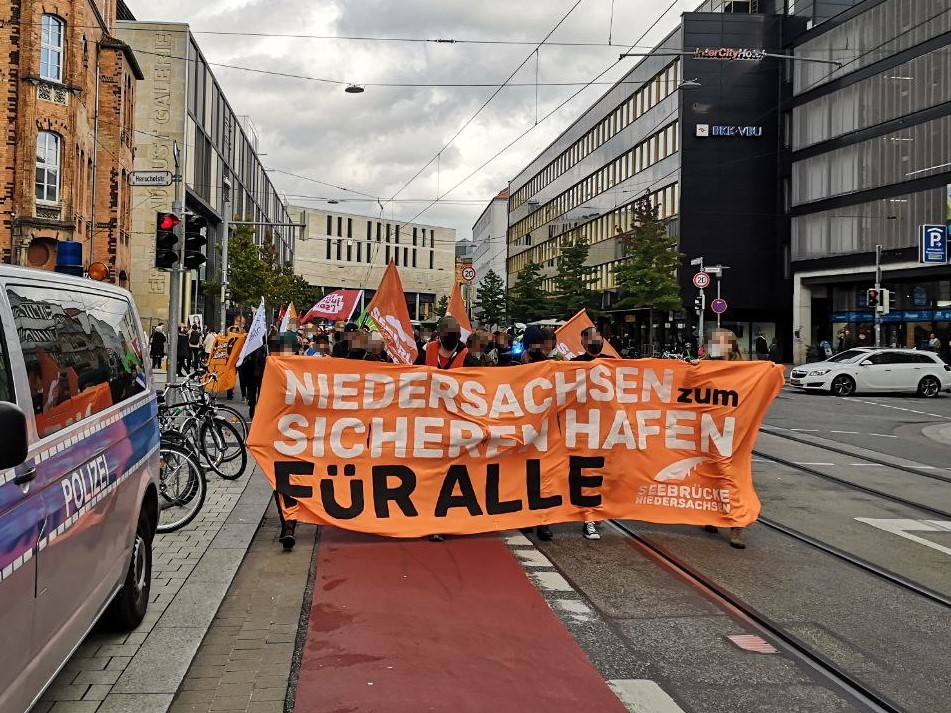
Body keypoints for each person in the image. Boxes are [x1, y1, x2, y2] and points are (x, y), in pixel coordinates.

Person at [698, 328, 746, 549]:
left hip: (731, 432)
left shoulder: (744, 370)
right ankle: (711, 516)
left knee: (731, 478)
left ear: (731, 345)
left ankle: (736, 525)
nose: (714, 345)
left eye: (719, 342)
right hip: (706, 429)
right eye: (712, 342)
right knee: (708, 474)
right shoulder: (703, 367)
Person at [569, 326, 613, 540]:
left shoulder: (612, 362)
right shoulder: (575, 364)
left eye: (599, 338)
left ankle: (596, 511)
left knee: (602, 473)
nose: (596, 342)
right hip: (583, 427)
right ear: (583, 343)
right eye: (592, 339)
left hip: (605, 427)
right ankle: (588, 517)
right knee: (586, 472)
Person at [519, 325, 555, 542]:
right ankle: (526, 517)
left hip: (544, 428)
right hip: (523, 427)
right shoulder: (515, 364)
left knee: (544, 476)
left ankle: (543, 521)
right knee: (523, 474)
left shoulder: (549, 365)